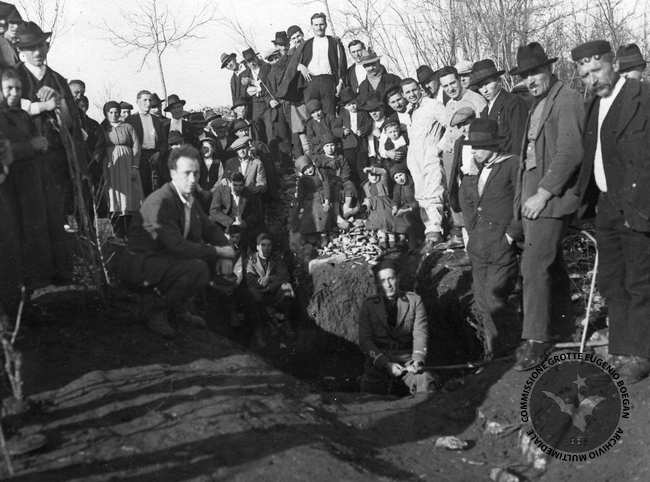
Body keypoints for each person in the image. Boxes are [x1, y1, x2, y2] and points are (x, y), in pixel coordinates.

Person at [573, 40, 650, 382]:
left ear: (614, 64)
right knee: (612, 280)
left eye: (597, 70)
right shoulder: (593, 105)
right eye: (585, 75)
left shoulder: (642, 97)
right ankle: (621, 348)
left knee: (640, 281)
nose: (592, 79)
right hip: (606, 205)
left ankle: (641, 353)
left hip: (637, 205)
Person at [511, 42, 585, 371]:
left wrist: (542, 194)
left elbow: (570, 152)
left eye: (535, 73)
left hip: (551, 198)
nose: (530, 80)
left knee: (533, 265)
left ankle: (536, 339)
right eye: (525, 76)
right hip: (533, 195)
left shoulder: (566, 99)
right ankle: (563, 325)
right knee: (549, 264)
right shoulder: (538, 103)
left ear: (549, 69)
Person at [120, 145, 235, 337]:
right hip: (142, 263)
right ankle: (154, 311)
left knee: (202, 263)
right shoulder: (161, 202)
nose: (192, 179)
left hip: (165, 259)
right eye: (186, 173)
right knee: (197, 268)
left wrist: (226, 247)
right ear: (173, 173)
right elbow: (177, 246)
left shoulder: (188, 199)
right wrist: (218, 251)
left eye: (196, 174)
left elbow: (209, 228)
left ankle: (178, 308)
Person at [16, 21, 86, 262]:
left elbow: (70, 121)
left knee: (60, 208)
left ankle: (62, 262)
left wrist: (58, 100)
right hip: (26, 155)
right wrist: (38, 107)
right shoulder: (14, 77)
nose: (37, 52)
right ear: (20, 51)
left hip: (57, 155)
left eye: (40, 46)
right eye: (31, 48)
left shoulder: (58, 80)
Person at [458, 118, 522, 357]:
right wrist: (471, 230)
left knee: (495, 297)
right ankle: (494, 352)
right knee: (482, 301)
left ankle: (511, 349)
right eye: (472, 147)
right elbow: (466, 200)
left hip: (500, 244)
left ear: (493, 145)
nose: (474, 152)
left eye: (479, 147)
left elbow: (523, 201)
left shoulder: (512, 164)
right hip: (479, 245)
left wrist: (511, 235)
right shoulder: (476, 170)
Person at [0, 67, 59, 289]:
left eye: (18, 88)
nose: (14, 93)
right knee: (11, 235)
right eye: (9, 88)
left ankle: (29, 287)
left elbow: (38, 141)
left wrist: (41, 144)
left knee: (31, 233)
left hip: (29, 184)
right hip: (8, 185)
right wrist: (30, 146)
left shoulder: (24, 116)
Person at [358, 261, 436, 395]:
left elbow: (420, 334)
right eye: (383, 281)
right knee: (370, 392)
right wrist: (385, 364)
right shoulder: (369, 306)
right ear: (378, 284)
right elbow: (365, 341)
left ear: (398, 278)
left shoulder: (414, 301)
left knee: (425, 382)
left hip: (407, 362)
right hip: (379, 362)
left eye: (391, 279)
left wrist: (417, 361)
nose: (388, 285)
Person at [401, 77, 447, 252]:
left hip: (430, 154)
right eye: (407, 92)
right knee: (421, 195)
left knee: (434, 191)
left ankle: (435, 232)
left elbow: (450, 126)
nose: (412, 94)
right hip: (416, 157)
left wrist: (438, 148)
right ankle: (429, 231)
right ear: (404, 95)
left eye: (414, 90)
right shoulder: (411, 111)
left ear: (419, 88)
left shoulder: (433, 105)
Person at [101, 100, 143, 238]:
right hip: (111, 164)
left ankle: (131, 231)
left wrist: (134, 165)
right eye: (111, 112)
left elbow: (136, 146)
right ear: (106, 114)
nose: (114, 115)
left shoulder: (128, 127)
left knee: (130, 194)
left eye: (116, 112)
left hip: (127, 163)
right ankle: (117, 231)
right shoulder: (103, 128)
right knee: (114, 195)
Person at [246, 233, 296, 345]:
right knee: (252, 296)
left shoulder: (276, 259)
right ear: (257, 247)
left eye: (269, 245)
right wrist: (261, 285)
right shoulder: (251, 259)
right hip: (259, 293)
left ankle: (285, 322)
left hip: (273, 291)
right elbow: (250, 279)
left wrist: (269, 280)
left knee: (287, 288)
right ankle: (260, 330)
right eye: (263, 245)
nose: (266, 248)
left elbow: (284, 276)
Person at [470, 59, 528, 155]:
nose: (484, 90)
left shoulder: (514, 103)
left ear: (499, 81)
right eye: (480, 86)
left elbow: (519, 142)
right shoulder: (485, 111)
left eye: (487, 83)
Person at [296, 12, 347, 117]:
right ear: (312, 26)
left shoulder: (334, 42)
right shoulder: (306, 44)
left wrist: (340, 82)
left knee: (330, 115)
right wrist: (300, 66)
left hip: (328, 82)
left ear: (326, 25)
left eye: (321, 24)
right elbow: (293, 62)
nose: (319, 28)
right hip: (310, 82)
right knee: (312, 116)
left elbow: (342, 64)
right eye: (316, 25)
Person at [126, 90, 168, 196]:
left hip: (155, 156)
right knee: (141, 187)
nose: (148, 103)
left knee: (156, 187)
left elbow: (163, 142)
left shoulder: (157, 120)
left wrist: (159, 153)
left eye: (150, 100)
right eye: (145, 100)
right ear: (138, 102)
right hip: (139, 157)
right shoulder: (131, 120)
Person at [210, 171, 264, 247]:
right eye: (235, 185)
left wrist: (245, 223)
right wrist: (230, 222)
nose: (238, 188)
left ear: (244, 184)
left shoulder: (249, 193)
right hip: (224, 224)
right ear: (230, 183)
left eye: (241, 185)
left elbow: (255, 213)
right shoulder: (221, 190)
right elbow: (214, 210)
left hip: (242, 227)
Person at [332, 87, 371, 190]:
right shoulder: (342, 116)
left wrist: (362, 131)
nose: (352, 106)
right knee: (351, 167)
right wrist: (342, 132)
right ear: (345, 107)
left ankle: (366, 189)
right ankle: (354, 189)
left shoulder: (362, 113)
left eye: (354, 103)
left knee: (362, 166)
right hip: (348, 146)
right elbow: (335, 129)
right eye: (349, 105)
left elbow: (368, 124)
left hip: (361, 145)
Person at [291, 155, 330, 246]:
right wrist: (299, 206)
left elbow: (326, 186)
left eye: (309, 167)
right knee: (305, 214)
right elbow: (301, 194)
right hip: (309, 200)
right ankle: (308, 234)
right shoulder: (302, 180)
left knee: (318, 211)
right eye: (305, 170)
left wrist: (327, 200)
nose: (308, 170)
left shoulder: (320, 173)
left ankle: (323, 234)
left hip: (320, 197)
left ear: (312, 164)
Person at [240, 47, 271, 143]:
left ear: (256, 58)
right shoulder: (245, 74)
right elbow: (243, 94)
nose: (252, 63)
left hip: (268, 104)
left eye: (253, 60)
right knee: (258, 133)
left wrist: (253, 82)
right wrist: (247, 89)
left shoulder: (267, 67)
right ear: (246, 63)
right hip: (256, 107)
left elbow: (270, 85)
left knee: (270, 131)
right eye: (249, 62)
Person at [362, 165, 393, 248]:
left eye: (376, 175)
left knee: (388, 225)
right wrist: (366, 204)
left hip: (385, 206)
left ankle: (392, 243)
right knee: (379, 227)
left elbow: (384, 172)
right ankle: (383, 244)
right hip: (374, 209)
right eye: (371, 175)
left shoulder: (383, 182)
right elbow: (368, 199)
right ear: (368, 176)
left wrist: (372, 169)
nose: (374, 177)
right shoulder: (366, 186)